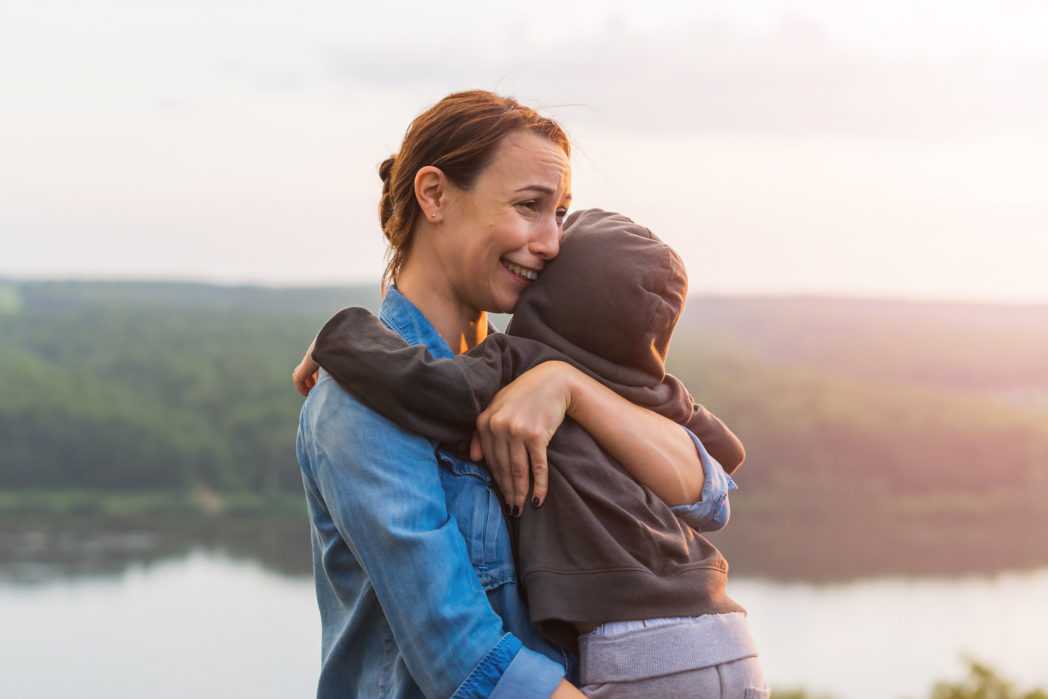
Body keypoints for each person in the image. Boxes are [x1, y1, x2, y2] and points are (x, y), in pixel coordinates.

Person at [292, 90, 728, 698]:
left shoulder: (538, 371)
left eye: (560, 214)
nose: (552, 241)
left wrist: (571, 388)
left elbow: (708, 496)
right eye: (530, 207)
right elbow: (464, 658)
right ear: (435, 195)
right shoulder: (359, 404)